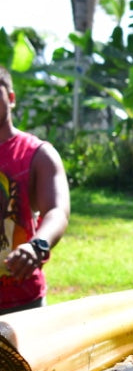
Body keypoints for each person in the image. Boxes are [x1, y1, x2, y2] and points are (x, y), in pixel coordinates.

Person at [0, 66, 70, 314]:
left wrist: (36, 246)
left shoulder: (38, 154)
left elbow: (57, 211)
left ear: (10, 98)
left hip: (22, 300)